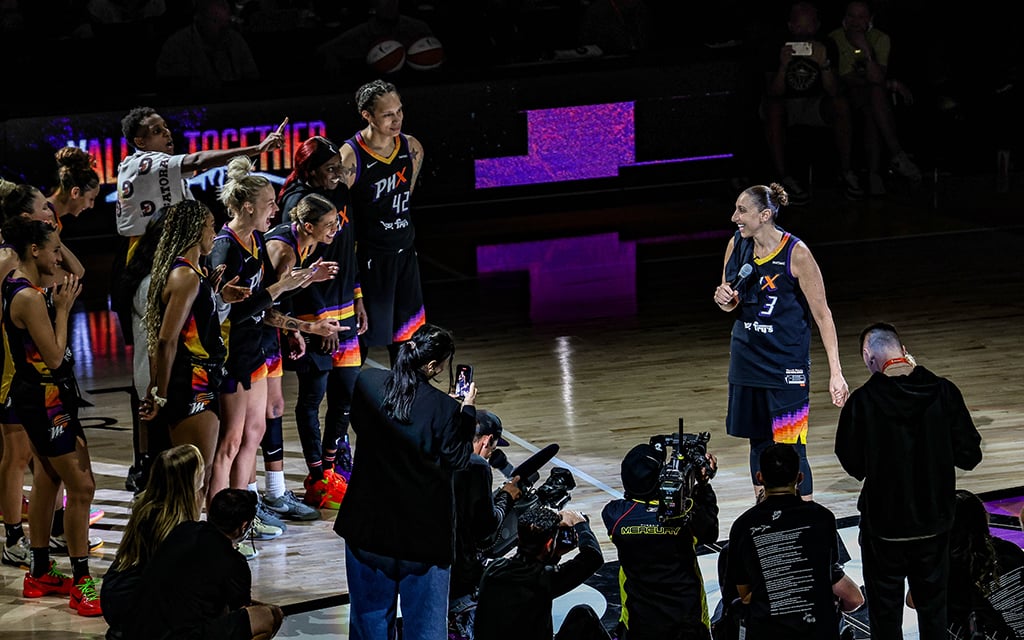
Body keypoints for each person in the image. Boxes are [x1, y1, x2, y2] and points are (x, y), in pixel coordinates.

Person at [206, 157, 339, 532]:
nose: (276, 209)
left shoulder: (254, 241)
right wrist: (285, 287)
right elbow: (234, 306)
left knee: (254, 434)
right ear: (248, 206)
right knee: (229, 445)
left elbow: (264, 308)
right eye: (270, 203)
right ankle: (220, 524)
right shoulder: (223, 246)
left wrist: (295, 305)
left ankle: (245, 513)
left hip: (254, 348)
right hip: (232, 354)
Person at [835, 321, 983, 640]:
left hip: (884, 531)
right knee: (934, 615)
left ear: (868, 356)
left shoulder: (862, 402)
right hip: (934, 526)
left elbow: (852, 462)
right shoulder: (944, 392)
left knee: (885, 619)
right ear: (903, 352)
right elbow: (970, 454)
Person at [334, 322, 476, 640]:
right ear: (433, 366)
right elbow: (458, 459)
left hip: (366, 529)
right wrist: (465, 413)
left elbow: (361, 423)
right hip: (422, 539)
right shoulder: (447, 410)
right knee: (425, 630)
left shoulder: (367, 383)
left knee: (368, 624)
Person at [712, 182, 848, 502]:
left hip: (786, 363)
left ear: (765, 214)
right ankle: (766, 512)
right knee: (758, 442)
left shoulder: (796, 253)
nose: (734, 217)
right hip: (747, 357)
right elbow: (730, 301)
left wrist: (836, 372)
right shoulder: (736, 245)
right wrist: (724, 299)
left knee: (791, 446)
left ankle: (804, 515)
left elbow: (823, 315)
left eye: (742, 211)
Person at [1, 216, 100, 616]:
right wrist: (62, 310)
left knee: (49, 479)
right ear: (35, 251)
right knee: (83, 487)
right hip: (45, 398)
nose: (61, 255)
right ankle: (82, 582)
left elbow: (75, 270)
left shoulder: (16, 282)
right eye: (55, 248)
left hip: (39, 396)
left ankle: (40, 571)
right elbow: (56, 356)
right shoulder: (26, 296)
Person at [275, 135, 365, 508]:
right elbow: (294, 271)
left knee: (346, 394)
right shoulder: (297, 205)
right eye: (331, 170)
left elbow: (350, 248)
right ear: (310, 172)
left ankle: (331, 469)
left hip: (345, 308)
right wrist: (316, 319)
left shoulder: (339, 196)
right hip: (314, 315)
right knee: (313, 396)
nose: (339, 175)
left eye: (340, 168)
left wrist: (358, 297)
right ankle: (316, 477)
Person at [139, 200, 237, 509]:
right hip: (191, 383)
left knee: (197, 477)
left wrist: (217, 295)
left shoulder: (196, 274)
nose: (214, 231)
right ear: (196, 230)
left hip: (202, 377)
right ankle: (187, 543)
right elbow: (165, 341)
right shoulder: (185, 276)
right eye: (210, 225)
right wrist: (161, 393)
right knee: (195, 478)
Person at [257, 192, 341, 521]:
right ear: (307, 225)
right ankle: (256, 496)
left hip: (269, 332)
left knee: (274, 409)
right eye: (329, 224)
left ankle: (274, 492)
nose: (336, 229)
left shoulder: (306, 246)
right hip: (251, 336)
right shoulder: (285, 251)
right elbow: (264, 310)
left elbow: (282, 297)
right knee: (253, 423)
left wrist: (293, 331)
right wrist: (309, 328)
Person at [727, 443, 862, 640]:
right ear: (800, 477)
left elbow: (744, 594)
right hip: (818, 631)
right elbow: (830, 575)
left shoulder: (742, 525)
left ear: (759, 477)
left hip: (767, 631)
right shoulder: (823, 518)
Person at [339, 79, 426, 366]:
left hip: (404, 256)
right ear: (367, 115)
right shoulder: (350, 157)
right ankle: (354, 407)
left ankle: (405, 404)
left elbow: (407, 194)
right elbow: (337, 222)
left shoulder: (412, 148)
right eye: (388, 114)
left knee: (408, 343)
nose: (397, 119)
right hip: (368, 260)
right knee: (361, 342)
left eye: (399, 111)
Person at [115, 106, 286, 250]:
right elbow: (198, 161)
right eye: (157, 131)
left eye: (165, 127)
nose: (167, 133)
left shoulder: (149, 166)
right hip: (147, 250)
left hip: (159, 246)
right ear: (140, 142)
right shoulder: (144, 163)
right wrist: (258, 148)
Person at [124, 487, 284, 640]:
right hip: (178, 634)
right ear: (243, 526)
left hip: (137, 627)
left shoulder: (184, 529)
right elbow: (241, 609)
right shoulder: (234, 562)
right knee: (267, 616)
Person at [601, 441, 719, 639]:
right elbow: (710, 532)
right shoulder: (686, 516)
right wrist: (703, 485)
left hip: (640, 622)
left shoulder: (615, 516)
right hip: (688, 622)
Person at [759, 2, 862, 204]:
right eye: (799, 26)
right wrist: (783, 66)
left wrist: (823, 64)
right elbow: (773, 92)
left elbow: (834, 92)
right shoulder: (777, 45)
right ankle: (784, 179)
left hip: (815, 104)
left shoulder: (827, 45)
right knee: (773, 108)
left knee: (840, 105)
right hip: (785, 104)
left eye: (808, 26)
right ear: (790, 26)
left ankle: (847, 172)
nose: (804, 32)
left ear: (816, 26)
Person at [101, 443, 204, 638]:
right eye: (200, 471)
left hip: (115, 593)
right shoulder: (168, 523)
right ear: (188, 481)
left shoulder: (148, 505)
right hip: (130, 603)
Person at [828, 1, 921, 196]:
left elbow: (878, 77)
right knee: (872, 93)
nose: (855, 22)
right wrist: (891, 84)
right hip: (842, 95)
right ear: (844, 18)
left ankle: (878, 171)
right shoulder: (833, 39)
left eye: (861, 17)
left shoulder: (880, 39)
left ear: (870, 19)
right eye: (851, 16)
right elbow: (844, 78)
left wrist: (866, 50)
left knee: (873, 101)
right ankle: (892, 158)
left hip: (870, 95)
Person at [474, 505, 608, 640]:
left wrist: (555, 555)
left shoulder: (494, 568)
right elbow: (593, 558)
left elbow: (529, 578)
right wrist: (581, 524)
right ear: (549, 544)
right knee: (584, 615)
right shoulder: (545, 579)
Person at [907, 489, 1024, 640]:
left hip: (987, 633)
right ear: (984, 517)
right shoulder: (1009, 548)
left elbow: (912, 602)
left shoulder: (943, 565)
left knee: (936, 613)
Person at [449, 409, 521, 628]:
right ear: (488, 440)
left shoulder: (439, 453)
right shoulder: (477, 466)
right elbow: (486, 529)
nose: (491, 454)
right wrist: (506, 498)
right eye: (494, 447)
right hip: (460, 574)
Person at [154, 0, 261, 92]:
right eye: (215, 21)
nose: (222, 28)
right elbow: (171, 87)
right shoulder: (177, 45)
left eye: (225, 22)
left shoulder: (235, 41)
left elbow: (252, 79)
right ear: (200, 19)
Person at [44, 146, 101, 223]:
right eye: (91, 199)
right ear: (75, 192)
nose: (91, 206)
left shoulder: (52, 218)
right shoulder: (41, 218)